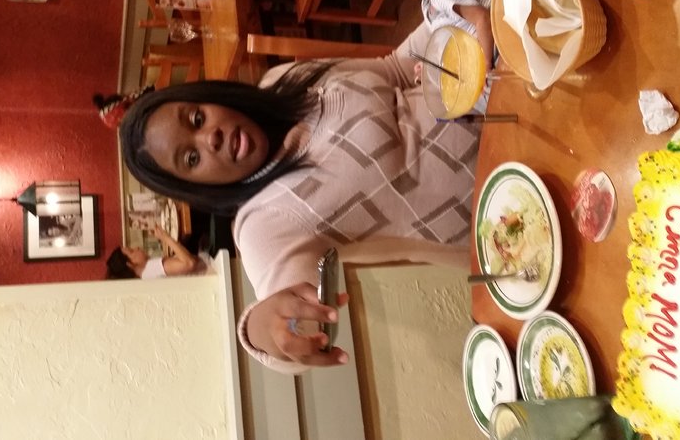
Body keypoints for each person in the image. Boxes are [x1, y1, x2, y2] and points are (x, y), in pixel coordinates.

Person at [117, 24, 479, 374]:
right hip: (496, 212)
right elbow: (280, 317)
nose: (209, 138)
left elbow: (395, 67)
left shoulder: (283, 81)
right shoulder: (262, 222)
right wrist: (261, 328)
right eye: (192, 158)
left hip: (492, 97)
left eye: (197, 118)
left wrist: (449, 14)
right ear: (198, 187)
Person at [401, 0, 494, 69]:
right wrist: (430, 65)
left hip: (491, 46)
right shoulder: (426, 3)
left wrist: (486, 63)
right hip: (468, 56)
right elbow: (444, 39)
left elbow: (482, 18)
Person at [106, 225, 205, 279]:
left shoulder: (146, 275)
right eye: (132, 251)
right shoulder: (153, 269)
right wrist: (165, 237)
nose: (137, 248)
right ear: (130, 264)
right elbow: (189, 263)